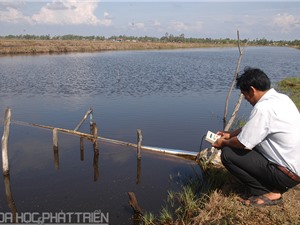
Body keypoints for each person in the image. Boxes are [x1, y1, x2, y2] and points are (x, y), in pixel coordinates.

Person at [212, 67, 300, 206]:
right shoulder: (282, 98)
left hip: (285, 175)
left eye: (244, 94)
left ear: (252, 90)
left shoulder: (263, 108)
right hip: (295, 171)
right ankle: (273, 187)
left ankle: (266, 192)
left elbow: (242, 144)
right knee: (243, 144)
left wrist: (224, 143)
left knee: (228, 154)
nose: (246, 99)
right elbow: (252, 127)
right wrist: (230, 135)